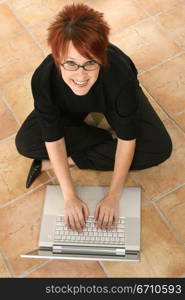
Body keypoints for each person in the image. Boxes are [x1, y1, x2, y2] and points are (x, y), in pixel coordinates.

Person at [15, 3, 172, 233]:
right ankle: (106, 137)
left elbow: (128, 140)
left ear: (101, 57)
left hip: (110, 101)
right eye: (70, 63)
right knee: (26, 142)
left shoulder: (121, 76)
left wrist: (112, 196)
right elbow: (54, 139)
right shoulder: (43, 79)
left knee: (159, 147)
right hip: (68, 109)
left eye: (90, 62)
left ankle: (66, 160)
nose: (80, 75)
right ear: (57, 58)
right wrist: (68, 197)